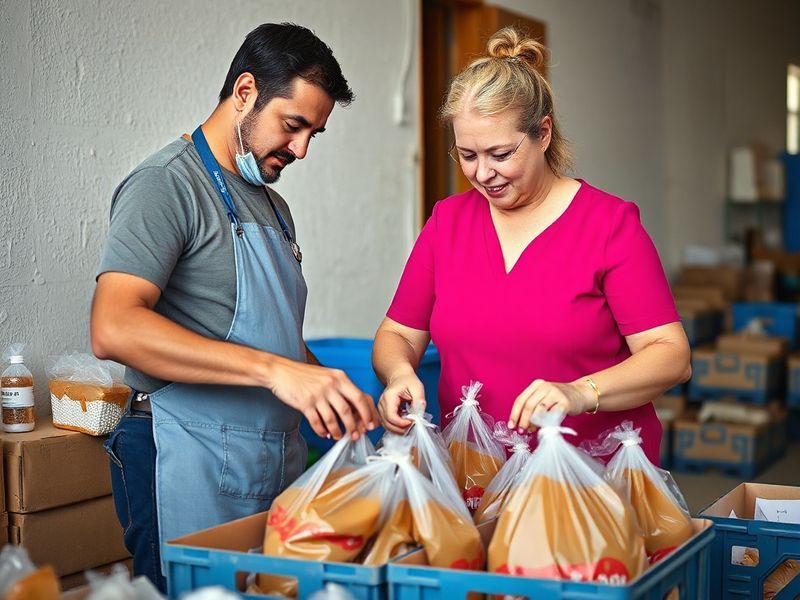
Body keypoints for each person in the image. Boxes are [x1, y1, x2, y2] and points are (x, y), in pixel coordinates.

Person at [90, 23, 379, 591]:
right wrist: (277, 372)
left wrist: (334, 391)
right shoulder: (165, 186)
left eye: (313, 135)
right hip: (183, 457)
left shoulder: (273, 207)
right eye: (293, 126)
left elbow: (271, 334)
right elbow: (114, 327)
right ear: (245, 92)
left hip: (268, 463)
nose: (299, 149)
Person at [372, 27, 690, 465]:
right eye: (467, 155)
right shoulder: (448, 223)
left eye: (501, 154)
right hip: (473, 478)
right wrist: (399, 372)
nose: (483, 173)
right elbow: (398, 334)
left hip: (589, 481)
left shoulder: (609, 226)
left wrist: (581, 392)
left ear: (542, 134)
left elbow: (671, 356)